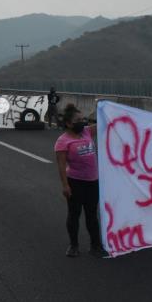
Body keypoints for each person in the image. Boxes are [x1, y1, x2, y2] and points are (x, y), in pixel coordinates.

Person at [54, 104, 105, 258]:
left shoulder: (87, 132)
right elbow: (61, 166)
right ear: (69, 124)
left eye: (83, 119)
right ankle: (73, 245)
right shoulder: (63, 141)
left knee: (92, 215)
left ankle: (95, 246)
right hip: (75, 183)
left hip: (92, 182)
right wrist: (65, 186)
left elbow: (104, 123)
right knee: (74, 214)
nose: (83, 122)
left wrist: (106, 109)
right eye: (78, 120)